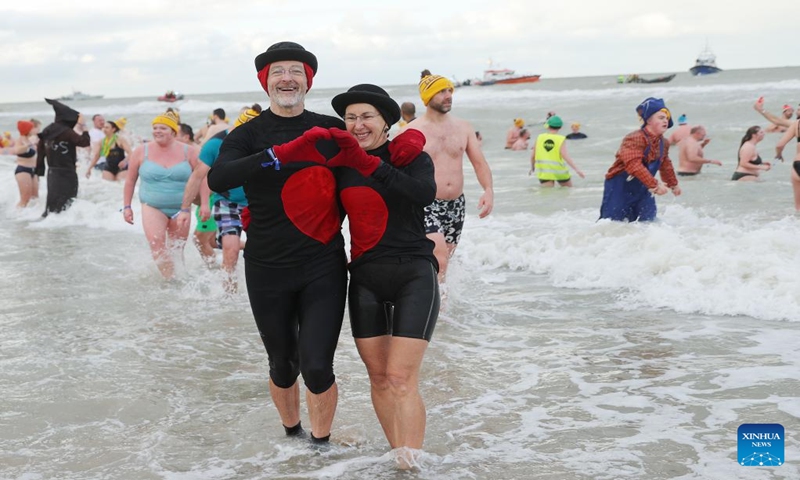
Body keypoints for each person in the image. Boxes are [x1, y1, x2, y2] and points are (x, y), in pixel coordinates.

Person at [206, 41, 347, 444]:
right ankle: (291, 435)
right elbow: (219, 178)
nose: (288, 78)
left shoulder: (329, 128)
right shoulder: (248, 134)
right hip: (267, 265)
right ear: (266, 81)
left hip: (323, 263)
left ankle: (320, 447)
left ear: (308, 80)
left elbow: (373, 160)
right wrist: (275, 154)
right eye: (278, 71)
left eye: (296, 71)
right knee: (283, 364)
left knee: (318, 366)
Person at [327, 83, 440, 468]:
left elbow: (424, 194)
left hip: (413, 273)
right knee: (378, 378)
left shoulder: (411, 157)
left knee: (400, 377)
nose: (358, 125)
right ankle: (400, 457)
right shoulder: (341, 166)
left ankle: (412, 465)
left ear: (386, 121)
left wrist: (374, 163)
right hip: (364, 279)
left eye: (367, 117)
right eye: (351, 118)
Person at [411, 72, 494, 282]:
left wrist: (488, 190)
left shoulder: (463, 127)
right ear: (428, 97)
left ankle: (442, 309)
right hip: (426, 203)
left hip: (456, 204)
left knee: (446, 258)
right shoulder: (412, 131)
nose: (448, 95)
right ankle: (434, 309)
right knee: (439, 256)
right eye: (441, 91)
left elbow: (479, 162)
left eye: (449, 90)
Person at [178, 105, 262, 292]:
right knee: (230, 251)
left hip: (258, 201)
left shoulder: (262, 138)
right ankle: (229, 297)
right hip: (227, 202)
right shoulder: (216, 144)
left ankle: (262, 293)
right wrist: (185, 209)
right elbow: (199, 176)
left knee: (264, 251)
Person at [122, 110, 202, 279]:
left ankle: (181, 278)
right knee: (157, 245)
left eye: (163, 128)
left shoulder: (189, 151)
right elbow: (130, 181)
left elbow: (202, 177)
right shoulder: (141, 151)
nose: (157, 131)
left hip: (182, 208)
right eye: (155, 127)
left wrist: (206, 204)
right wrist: (127, 207)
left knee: (176, 250)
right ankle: (170, 281)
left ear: (173, 132)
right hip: (152, 206)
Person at [599, 97, 681, 222]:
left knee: (648, 223)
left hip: (644, 189)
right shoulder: (635, 138)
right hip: (620, 189)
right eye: (661, 118)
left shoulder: (663, 143)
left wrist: (673, 184)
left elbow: (665, 164)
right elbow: (634, 165)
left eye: (666, 118)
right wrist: (655, 185)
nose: (666, 120)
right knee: (612, 224)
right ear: (648, 120)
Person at [35, 98, 91, 217]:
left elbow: (40, 151)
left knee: (52, 202)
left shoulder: (47, 130)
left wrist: (39, 171)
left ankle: (50, 225)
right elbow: (84, 142)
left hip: (52, 173)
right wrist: (84, 126)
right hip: (67, 172)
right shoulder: (66, 132)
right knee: (68, 202)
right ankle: (63, 229)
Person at [175, 122, 217, 266]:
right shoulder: (181, 152)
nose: (172, 138)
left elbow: (206, 177)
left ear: (186, 137)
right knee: (213, 242)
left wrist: (205, 203)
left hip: (210, 200)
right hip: (204, 202)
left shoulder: (196, 152)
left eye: (176, 135)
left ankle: (214, 271)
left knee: (199, 240)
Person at [529, 115, 585, 187]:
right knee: (567, 192)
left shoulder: (540, 137)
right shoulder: (560, 139)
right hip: (559, 171)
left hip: (544, 172)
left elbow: (533, 156)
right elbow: (565, 156)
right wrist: (577, 170)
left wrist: (532, 167)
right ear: (560, 127)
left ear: (548, 126)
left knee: (547, 195)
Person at [774, 112, 800, 210]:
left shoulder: (796, 124)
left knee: (798, 207)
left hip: (797, 164)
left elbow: (779, 145)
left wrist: (779, 155)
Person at [13, 120, 40, 208]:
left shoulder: (32, 139)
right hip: (23, 170)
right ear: (27, 130)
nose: (33, 129)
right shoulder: (20, 140)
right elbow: (17, 150)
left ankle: (30, 216)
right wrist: (28, 145)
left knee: (35, 198)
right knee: (25, 198)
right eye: (31, 128)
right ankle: (17, 215)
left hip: (34, 171)